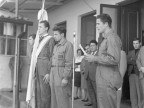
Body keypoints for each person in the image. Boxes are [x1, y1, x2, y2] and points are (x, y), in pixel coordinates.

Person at [85, 13, 122, 108]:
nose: (96, 26)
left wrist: (95, 58)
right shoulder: (105, 39)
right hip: (103, 80)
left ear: (106, 24)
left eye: (98, 24)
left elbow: (114, 59)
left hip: (108, 81)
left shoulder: (112, 38)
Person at [50, 25, 73, 108]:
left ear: (62, 34)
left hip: (61, 75)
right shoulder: (56, 46)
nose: (54, 36)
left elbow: (69, 63)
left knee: (63, 99)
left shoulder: (68, 45)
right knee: (54, 99)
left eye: (56, 34)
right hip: (53, 73)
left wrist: (66, 78)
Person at [36, 20, 55, 108]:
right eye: (38, 27)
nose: (38, 29)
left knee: (45, 92)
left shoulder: (50, 39)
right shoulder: (38, 39)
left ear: (46, 28)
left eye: (40, 27)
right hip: (38, 67)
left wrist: (48, 72)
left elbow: (51, 56)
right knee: (39, 92)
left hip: (45, 68)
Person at [127, 38, 142, 108]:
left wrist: (132, 59)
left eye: (136, 43)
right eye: (134, 43)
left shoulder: (142, 51)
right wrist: (135, 61)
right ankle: (134, 106)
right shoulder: (130, 52)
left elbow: (141, 62)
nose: (135, 45)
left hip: (139, 74)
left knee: (140, 92)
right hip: (131, 74)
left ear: (140, 43)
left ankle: (140, 106)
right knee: (132, 93)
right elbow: (127, 61)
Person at [82, 40, 98, 107]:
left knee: (97, 94)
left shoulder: (99, 55)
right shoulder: (89, 54)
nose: (91, 47)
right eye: (90, 46)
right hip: (88, 77)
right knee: (91, 94)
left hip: (95, 77)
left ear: (97, 46)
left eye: (93, 45)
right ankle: (94, 106)